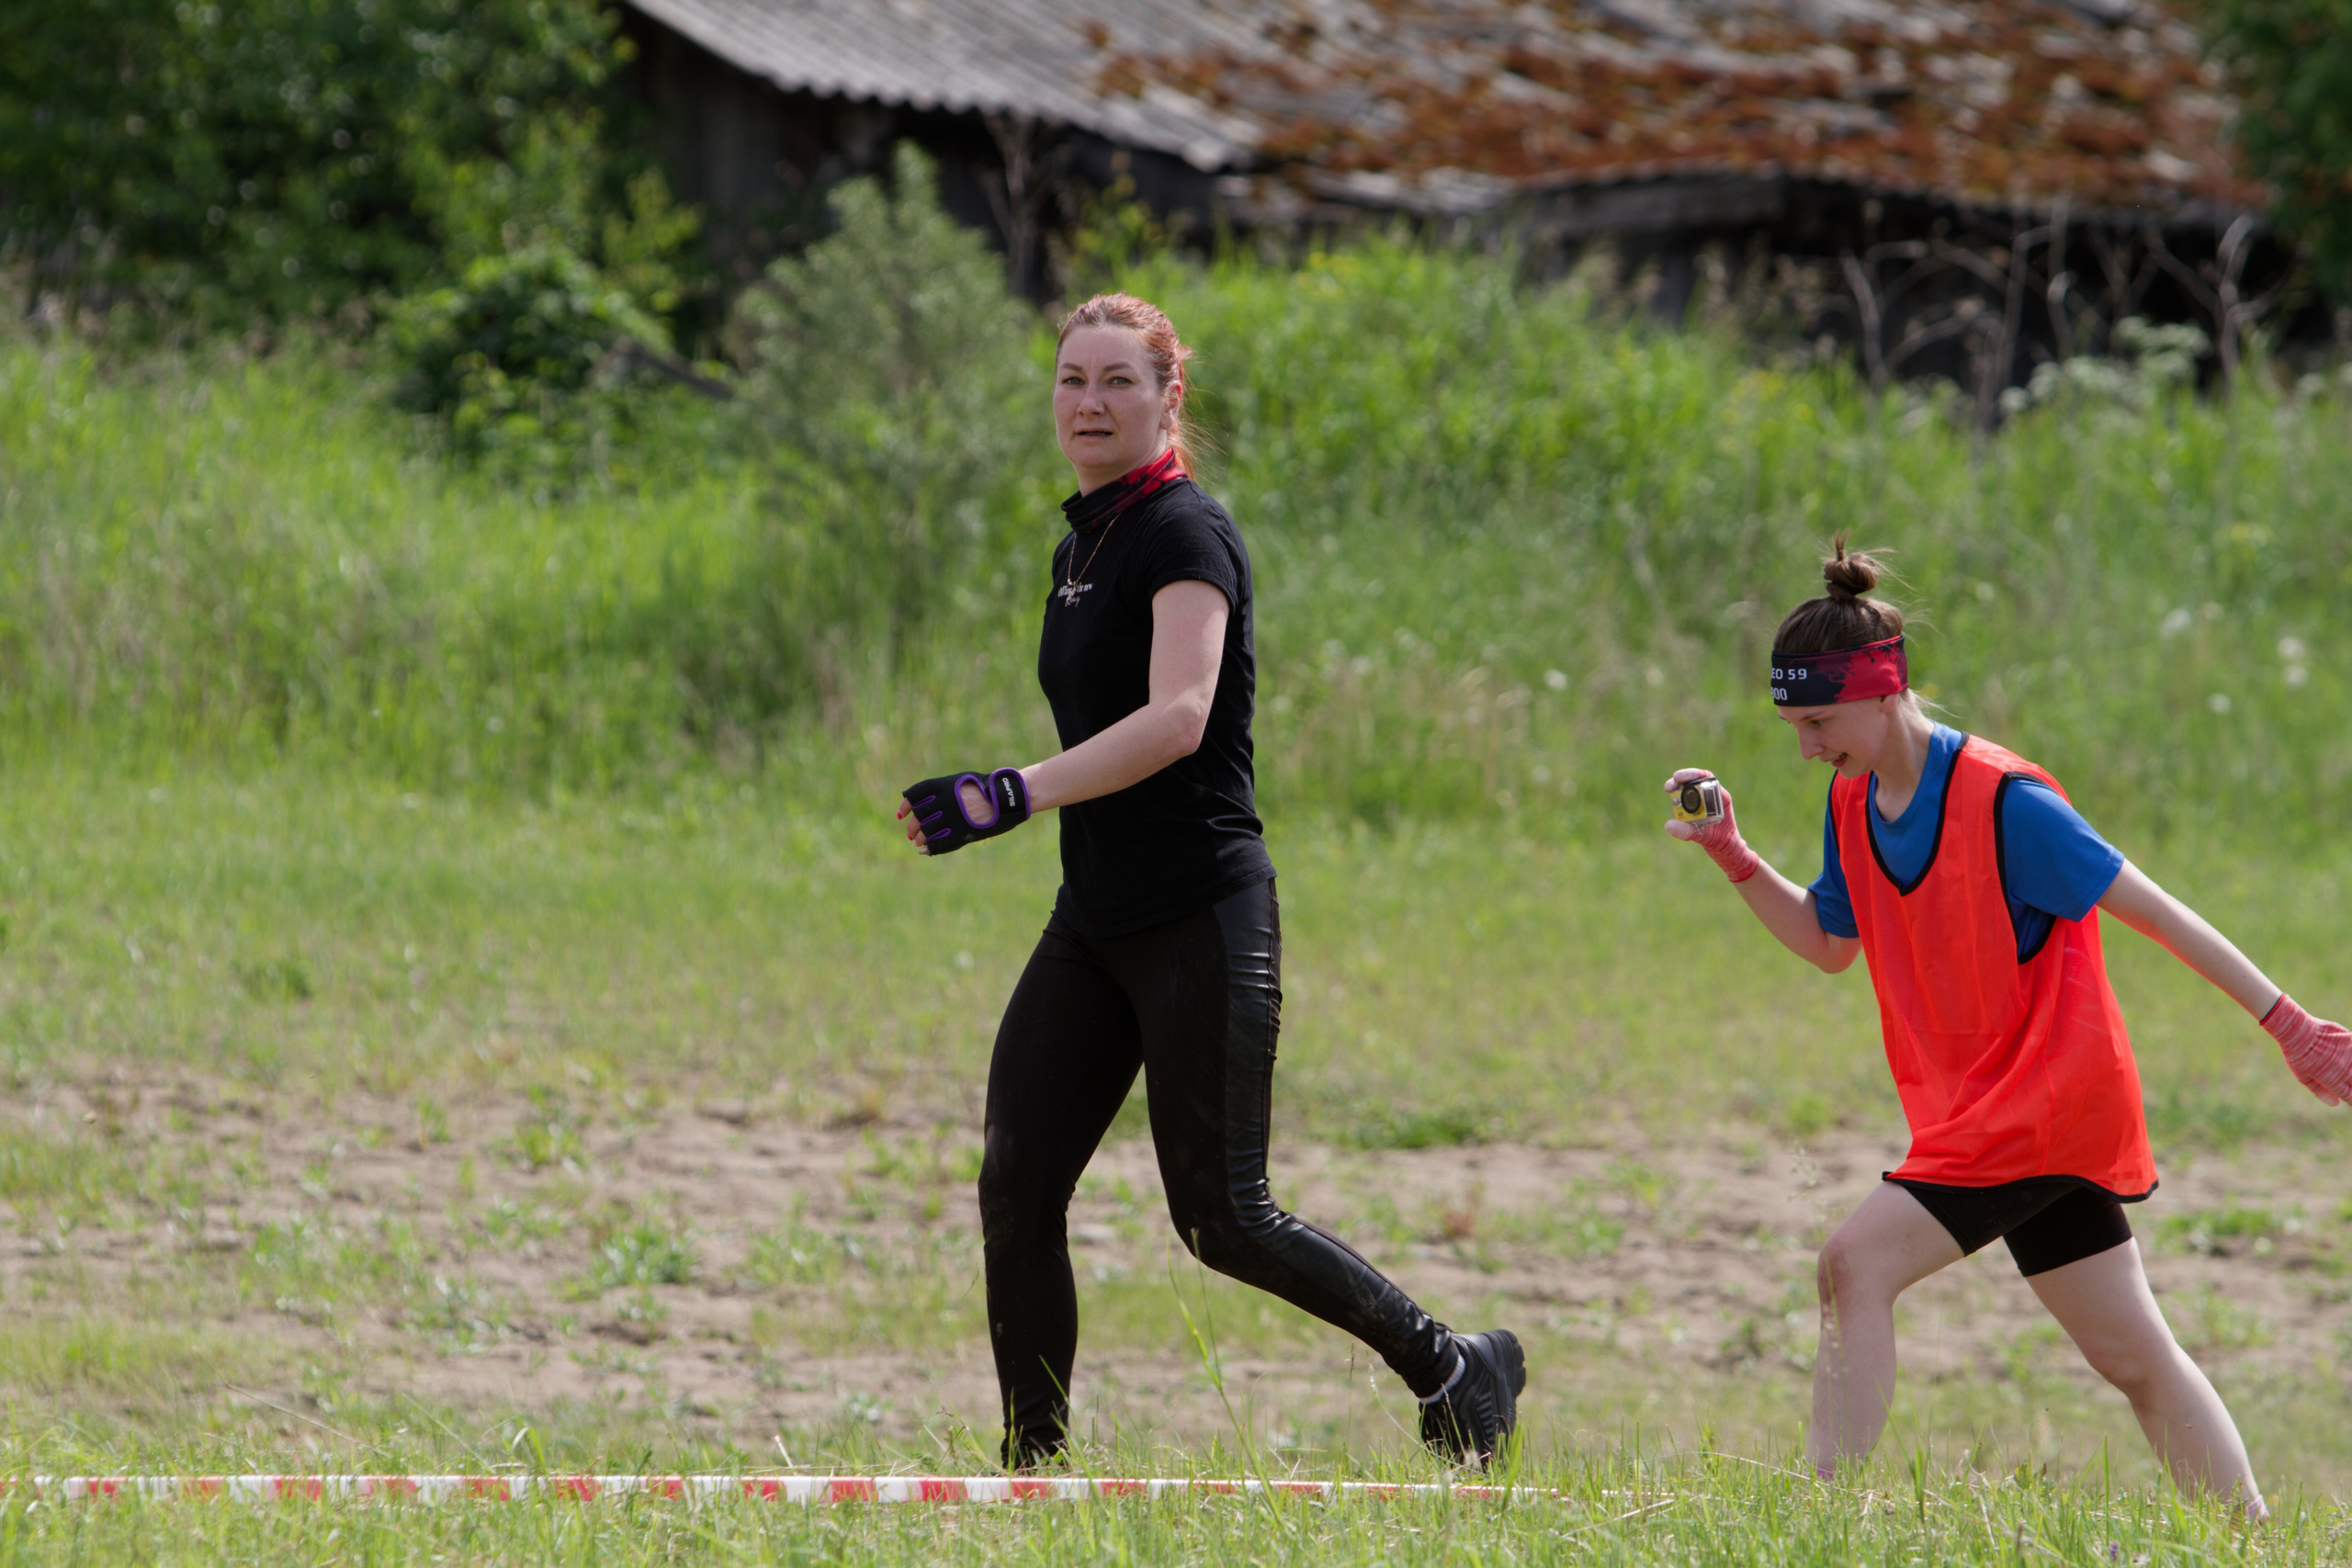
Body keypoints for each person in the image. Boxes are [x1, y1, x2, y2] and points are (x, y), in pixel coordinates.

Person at [895, 292, 1525, 1470]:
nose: (1090, 402)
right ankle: (1035, 1473)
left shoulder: (1187, 533)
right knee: (1016, 1189)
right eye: (1072, 380)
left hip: (1199, 910)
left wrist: (1008, 793)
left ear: (1167, 397)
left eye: (1118, 382)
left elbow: (1179, 718)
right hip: (1094, 918)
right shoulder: (1081, 539)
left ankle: (1454, 1366)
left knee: (1223, 1216)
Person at [1664, 538, 2351, 1513]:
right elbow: (1828, 941)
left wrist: (2289, 1023)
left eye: (1818, 721)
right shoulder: (1853, 798)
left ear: (1883, 690)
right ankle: (2254, 1537)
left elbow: (2155, 911)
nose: (1807, 747)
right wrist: (1733, 856)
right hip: (1992, 1112)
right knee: (2134, 1358)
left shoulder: (2005, 801)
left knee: (1851, 1265)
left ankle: (1814, 1521)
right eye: (1794, 726)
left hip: (2039, 1102)